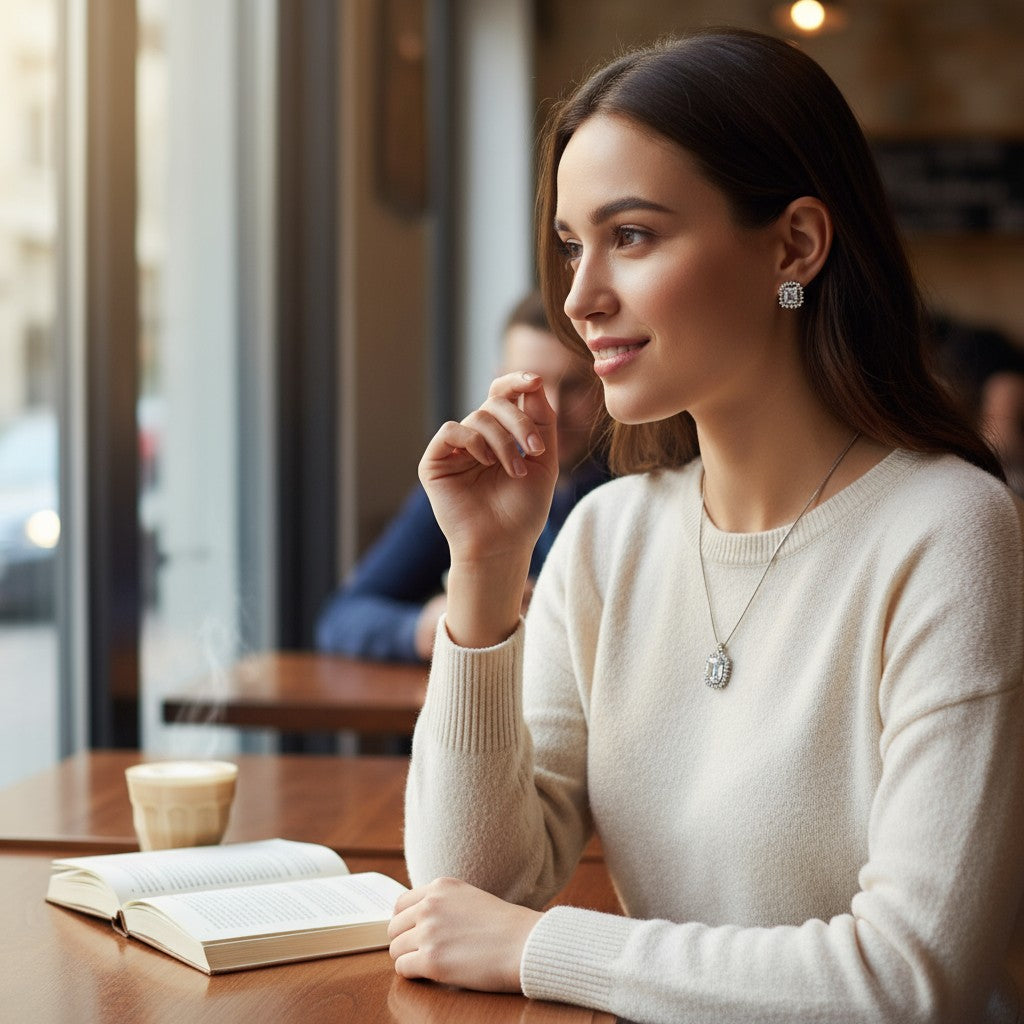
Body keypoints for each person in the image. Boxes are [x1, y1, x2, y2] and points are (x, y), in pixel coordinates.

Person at [385, 28, 1024, 1023]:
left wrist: (539, 947)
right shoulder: (605, 538)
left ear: (793, 246)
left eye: (630, 235)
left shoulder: (948, 529)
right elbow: (471, 892)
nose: (580, 298)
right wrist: (485, 571)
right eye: (569, 245)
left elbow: (909, 982)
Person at [315, 290, 608, 663]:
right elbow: (341, 618)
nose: (551, 409)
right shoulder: (471, 476)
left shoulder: (640, 487)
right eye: (529, 387)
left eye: (574, 385)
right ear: (498, 380)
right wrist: (445, 622)